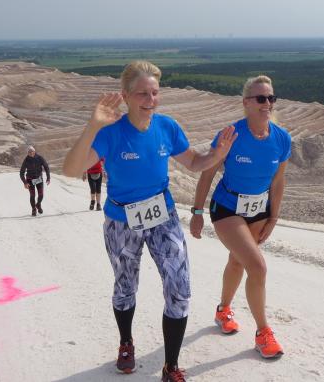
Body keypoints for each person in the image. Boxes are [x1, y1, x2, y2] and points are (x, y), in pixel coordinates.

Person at [63, 60, 237, 382]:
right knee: (125, 286)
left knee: (179, 288)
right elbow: (71, 170)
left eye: (155, 92)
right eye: (143, 93)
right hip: (121, 221)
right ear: (126, 96)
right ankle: (126, 342)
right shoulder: (110, 133)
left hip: (163, 217)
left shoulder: (167, 127)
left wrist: (217, 155)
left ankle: (171, 367)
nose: (150, 100)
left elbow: (194, 162)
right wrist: (92, 126)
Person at [190, 75, 290, 359]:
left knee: (238, 260)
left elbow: (278, 181)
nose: (267, 103)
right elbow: (207, 174)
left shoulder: (282, 138)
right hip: (227, 208)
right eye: (260, 98)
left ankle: (223, 310)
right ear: (246, 103)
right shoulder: (231, 135)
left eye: (271, 98)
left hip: (258, 210)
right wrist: (197, 212)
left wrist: (273, 216)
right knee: (257, 267)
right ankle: (263, 332)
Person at [20, 146, 51, 217]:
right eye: (29, 152)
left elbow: (46, 167)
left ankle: (38, 204)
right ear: (27, 153)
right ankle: (33, 209)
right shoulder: (26, 160)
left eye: (32, 151)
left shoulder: (39, 158)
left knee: (41, 194)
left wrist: (48, 178)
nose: (31, 153)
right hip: (30, 180)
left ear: (34, 151)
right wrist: (25, 182)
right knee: (32, 195)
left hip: (38, 179)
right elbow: (21, 172)